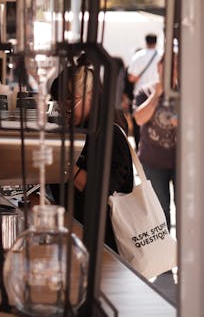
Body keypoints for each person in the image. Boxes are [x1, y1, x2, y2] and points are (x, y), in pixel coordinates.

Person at [50, 60, 133, 251]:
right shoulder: (73, 130)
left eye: (71, 100)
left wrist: (64, 165)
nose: (64, 108)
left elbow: (103, 188)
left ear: (92, 96)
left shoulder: (109, 133)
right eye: (59, 101)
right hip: (74, 236)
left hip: (105, 243)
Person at [132, 55, 177, 231]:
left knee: (185, 210)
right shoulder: (146, 91)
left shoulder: (187, 93)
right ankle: (166, 255)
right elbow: (139, 119)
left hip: (182, 163)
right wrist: (156, 95)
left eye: (174, 68)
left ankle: (185, 254)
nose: (170, 73)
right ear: (158, 68)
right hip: (153, 162)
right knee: (159, 211)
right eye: (165, 68)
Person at [127, 34, 161, 148]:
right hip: (158, 92)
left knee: (138, 122)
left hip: (141, 94)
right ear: (156, 42)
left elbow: (131, 77)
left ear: (145, 42)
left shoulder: (138, 56)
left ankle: (139, 148)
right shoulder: (161, 55)